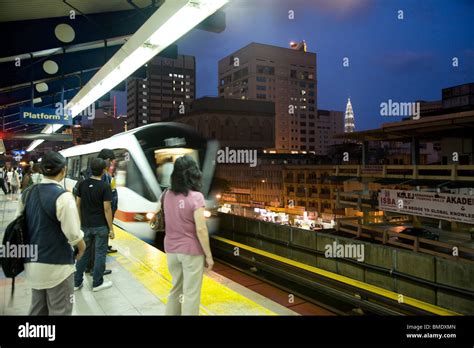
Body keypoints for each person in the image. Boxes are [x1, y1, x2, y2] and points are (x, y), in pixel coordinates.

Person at [16, 151, 85, 315]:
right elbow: (74, 234)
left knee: (38, 309)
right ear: (63, 170)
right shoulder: (64, 197)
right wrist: (82, 248)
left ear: (41, 170)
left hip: (32, 264)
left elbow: (20, 223)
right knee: (61, 309)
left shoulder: (26, 194)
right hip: (58, 267)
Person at [153, 155, 214, 315]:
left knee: (176, 289)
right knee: (191, 294)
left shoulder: (166, 194)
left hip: (171, 250)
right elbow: (201, 229)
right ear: (194, 173)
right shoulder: (196, 197)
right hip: (191, 252)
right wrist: (208, 255)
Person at [74, 157, 115, 292]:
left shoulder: (82, 184)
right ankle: (97, 283)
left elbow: (78, 205)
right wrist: (111, 228)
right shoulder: (105, 187)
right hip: (101, 227)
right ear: (104, 170)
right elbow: (107, 209)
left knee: (83, 253)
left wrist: (80, 223)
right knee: (100, 254)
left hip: (85, 226)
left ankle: (77, 282)